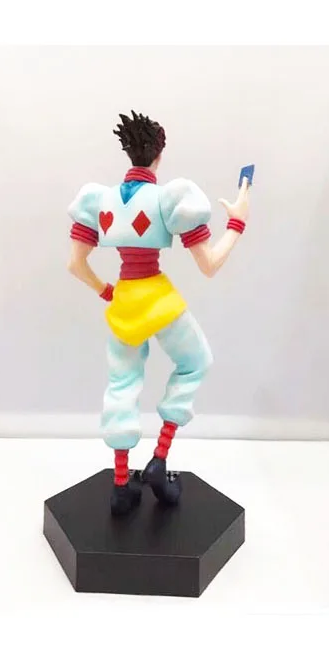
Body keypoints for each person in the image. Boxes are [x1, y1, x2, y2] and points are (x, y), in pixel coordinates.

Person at [67, 111, 250, 516]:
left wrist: (106, 291)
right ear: (159, 155)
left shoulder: (99, 200)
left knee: (121, 384)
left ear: (128, 152)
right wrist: (237, 224)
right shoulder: (170, 198)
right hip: (158, 299)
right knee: (195, 362)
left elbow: (75, 264)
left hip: (124, 302)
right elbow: (209, 264)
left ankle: (120, 485)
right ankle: (159, 458)